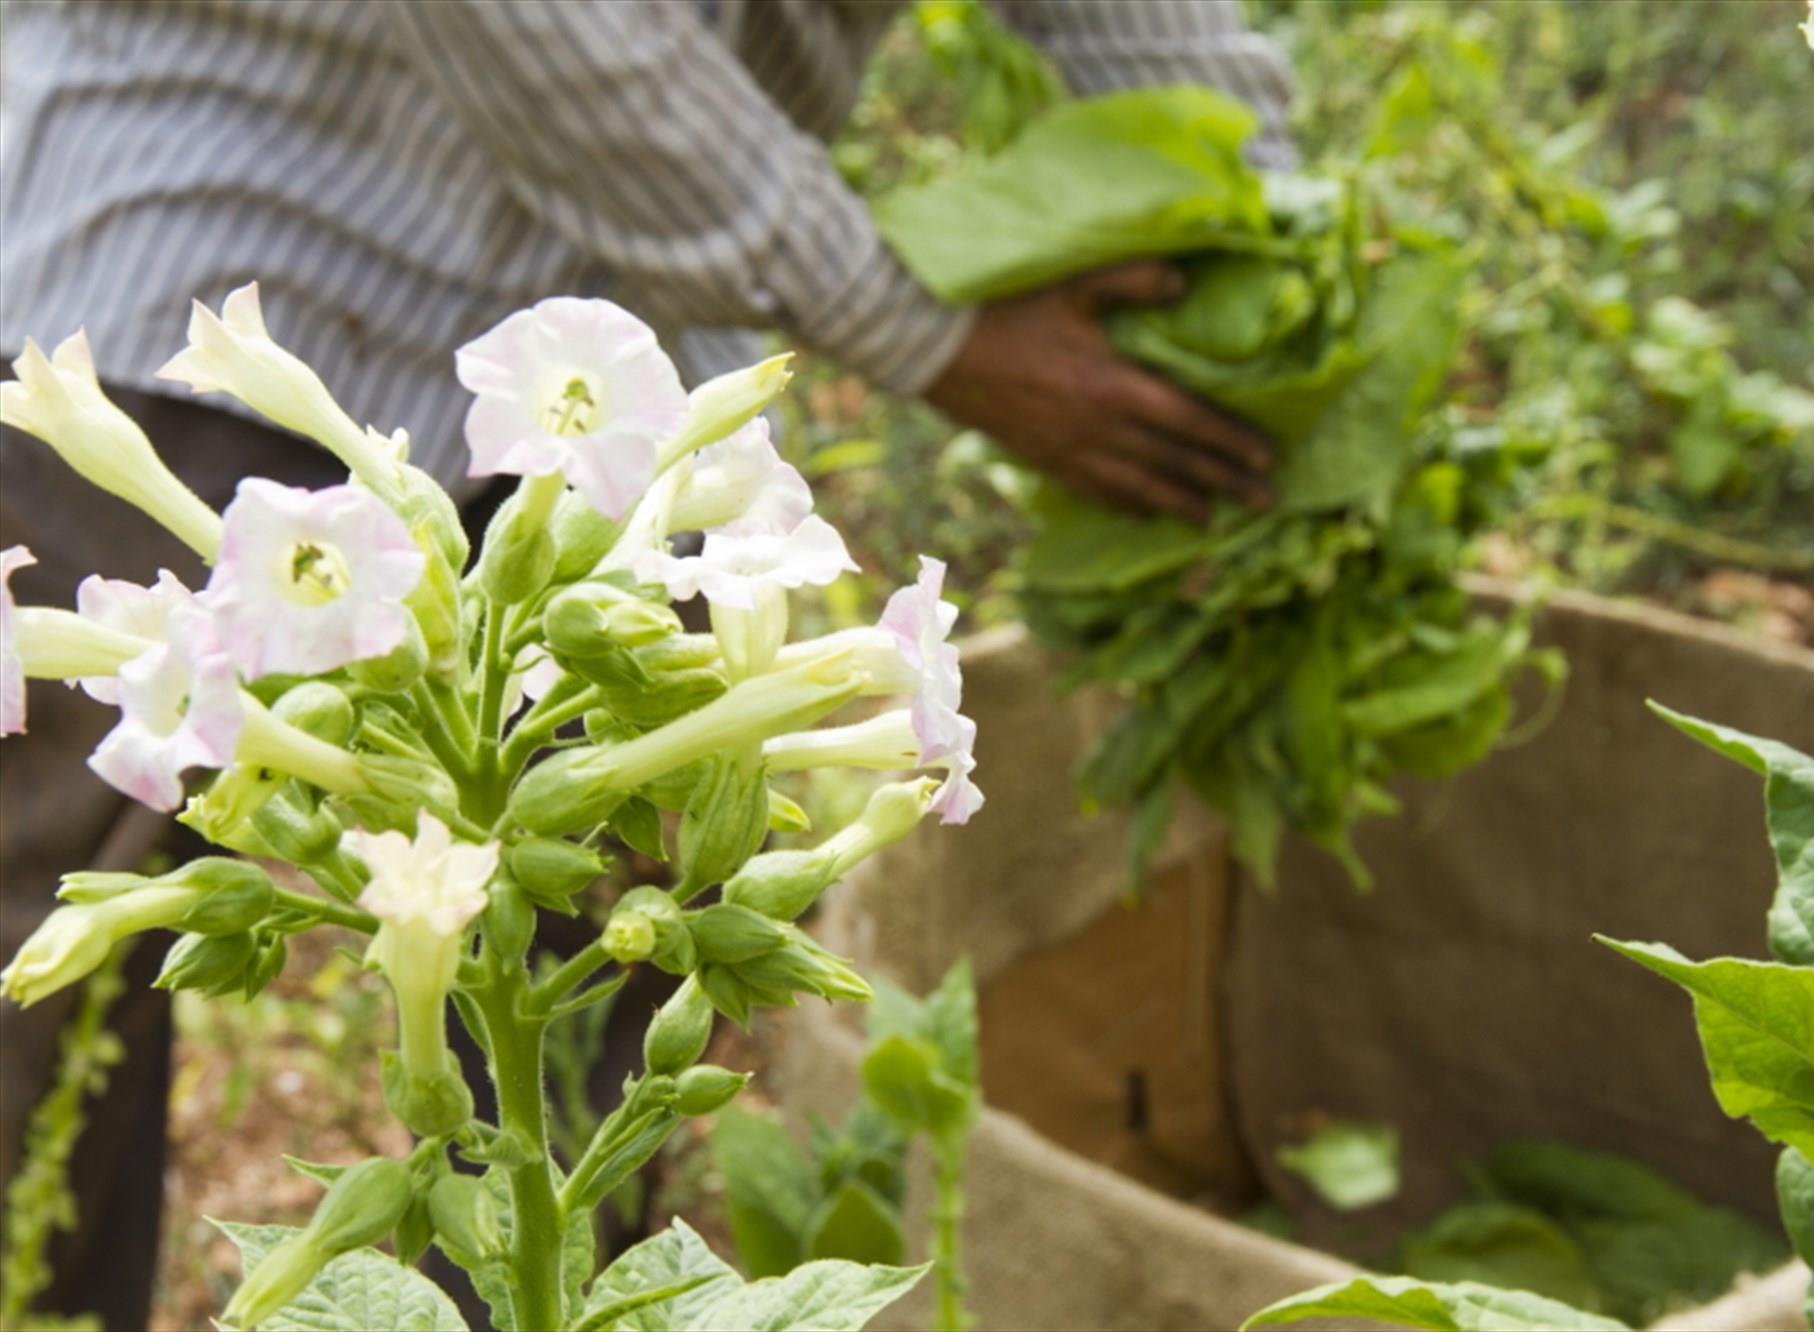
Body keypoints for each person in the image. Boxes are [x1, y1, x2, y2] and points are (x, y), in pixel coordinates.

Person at [0, 1, 1296, 1324]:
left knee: (600, 966)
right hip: (222, 222)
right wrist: (934, 341)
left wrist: (1285, 267)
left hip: (626, 382)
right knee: (39, 938)